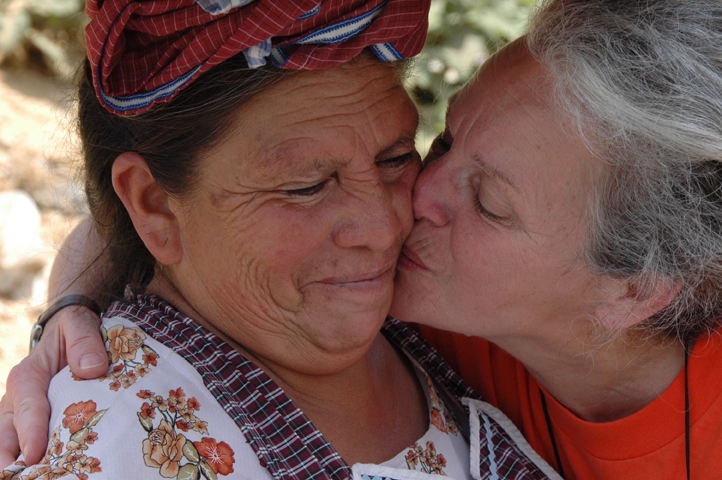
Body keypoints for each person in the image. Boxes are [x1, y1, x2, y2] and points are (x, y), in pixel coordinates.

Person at [6, 0, 722, 478]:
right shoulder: (396, 299)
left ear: (634, 289)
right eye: (436, 144)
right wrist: (72, 309)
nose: (397, 215)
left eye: (489, 204)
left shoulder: (438, 319)